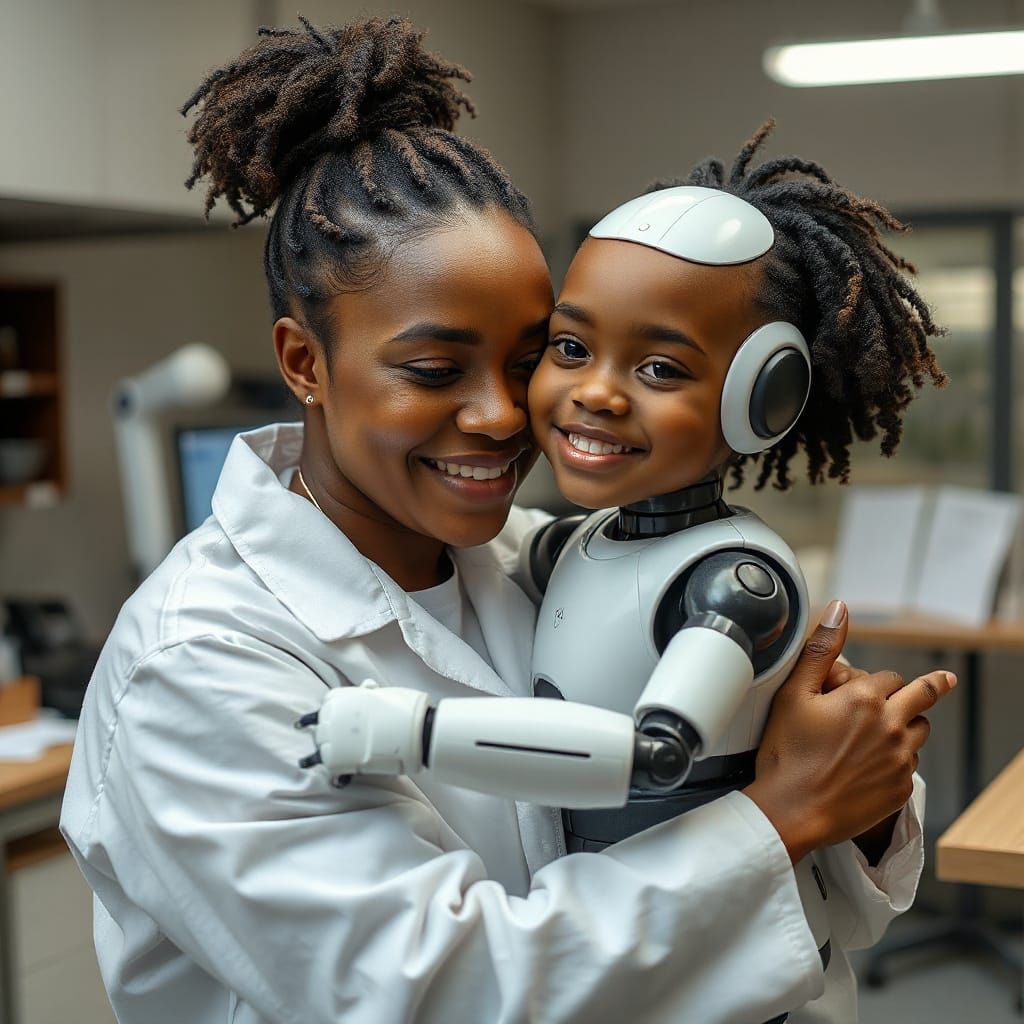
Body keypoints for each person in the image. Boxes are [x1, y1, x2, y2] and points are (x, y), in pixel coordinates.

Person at [59, 18, 953, 1024]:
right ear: (304, 363)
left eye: (533, 358)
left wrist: (854, 797)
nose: (499, 413)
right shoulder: (198, 663)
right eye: (435, 370)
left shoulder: (548, 560)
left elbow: (811, 889)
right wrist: (781, 816)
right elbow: (442, 992)